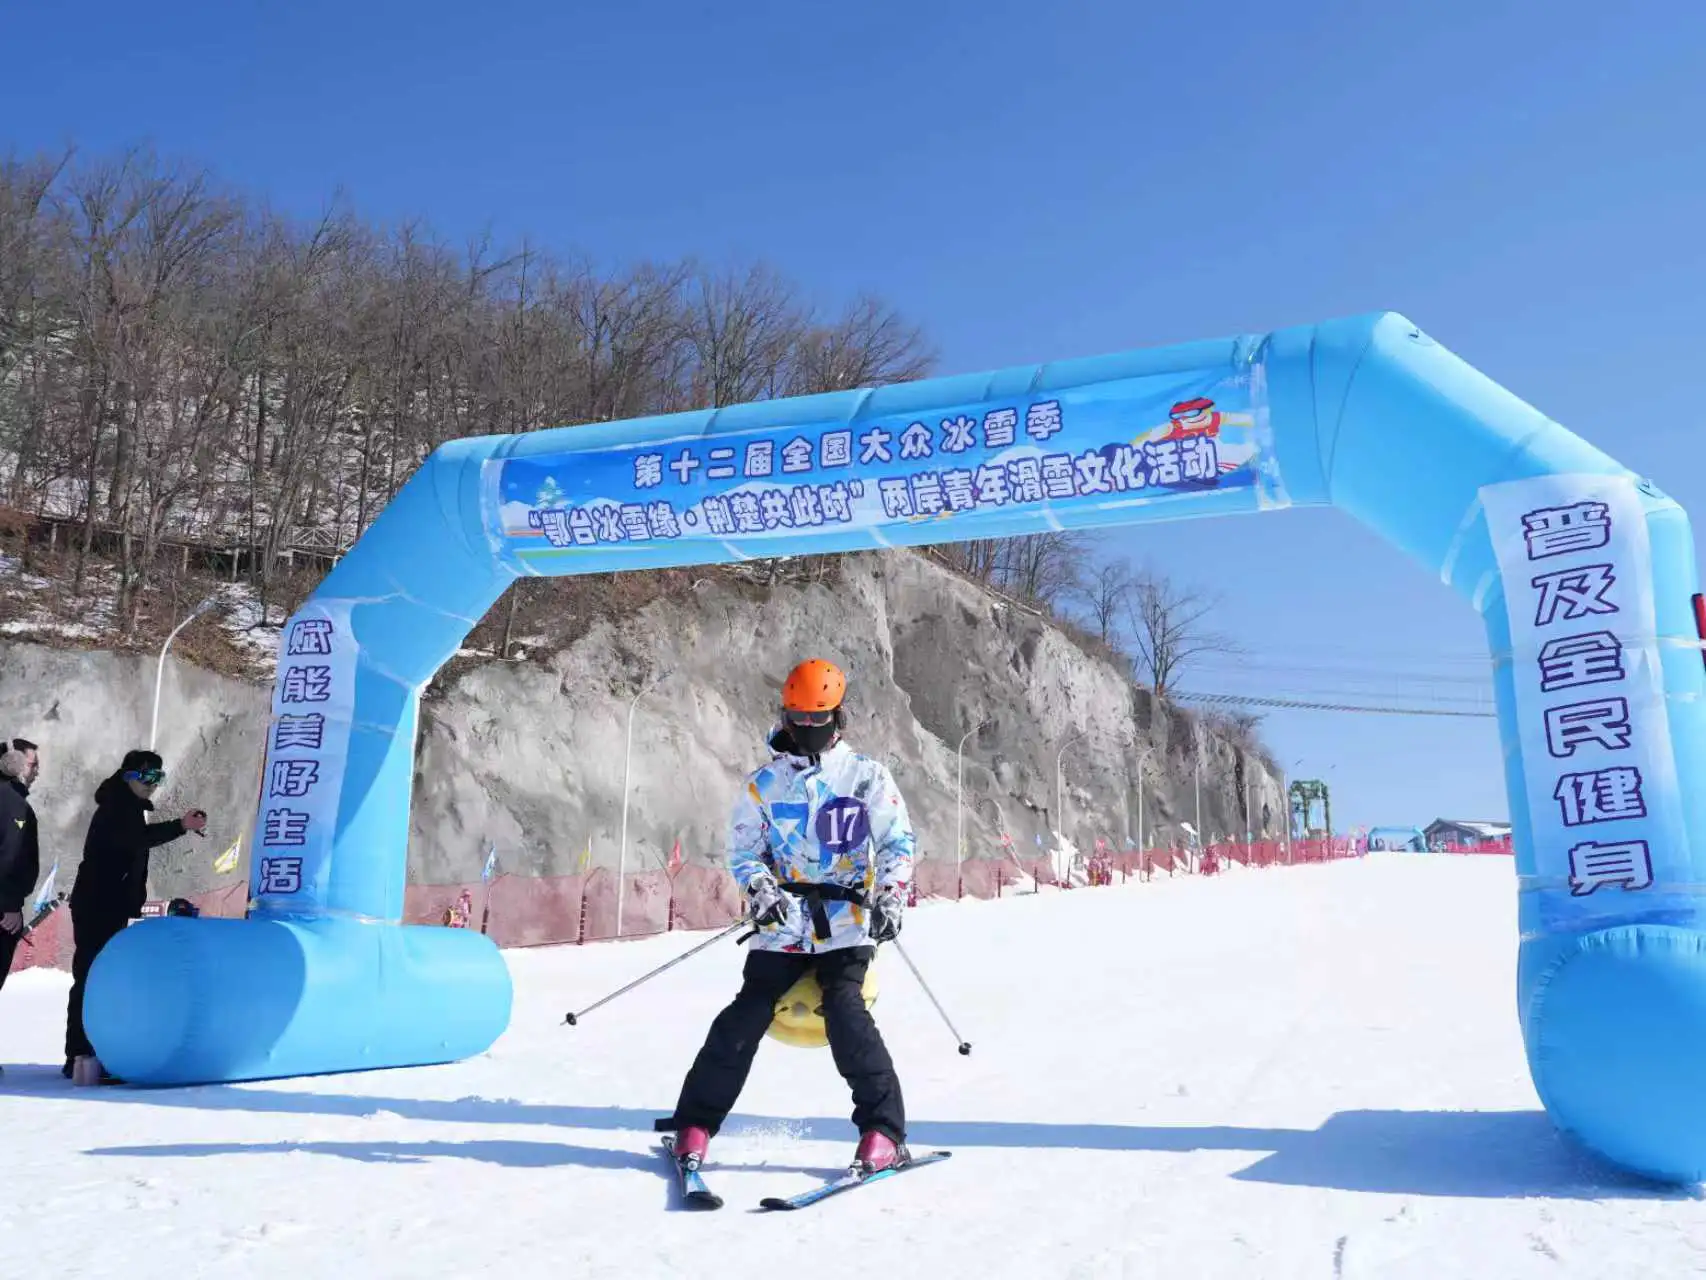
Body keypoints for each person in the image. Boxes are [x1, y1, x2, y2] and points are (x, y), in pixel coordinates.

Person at [654, 658, 917, 1174]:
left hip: (846, 918)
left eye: (818, 718)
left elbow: (896, 842)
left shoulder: (866, 778)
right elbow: (745, 851)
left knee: (845, 1010)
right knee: (746, 1013)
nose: (808, 727)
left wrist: (890, 895)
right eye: (799, 718)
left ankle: (883, 1132)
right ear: (786, 716)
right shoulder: (765, 784)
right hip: (784, 920)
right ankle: (695, 1125)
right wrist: (760, 890)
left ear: (838, 717)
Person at [64, 750, 206, 1082]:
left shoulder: (128, 806)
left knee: (103, 979)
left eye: (158, 778)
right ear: (128, 776)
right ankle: (80, 1054)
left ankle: (92, 1052)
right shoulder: (117, 807)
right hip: (98, 906)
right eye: (146, 777)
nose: (152, 784)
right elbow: (135, 840)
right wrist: (181, 826)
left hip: (112, 906)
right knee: (91, 978)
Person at [0, 739, 42, 997]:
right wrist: (10, 905)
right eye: (32, 764)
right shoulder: (13, 804)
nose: (37, 771)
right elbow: (9, 857)